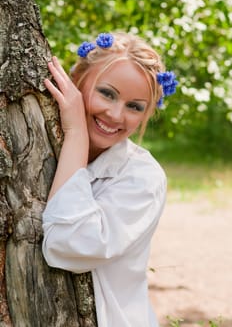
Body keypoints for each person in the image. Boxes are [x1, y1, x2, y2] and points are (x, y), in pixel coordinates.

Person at [42, 32, 178, 327]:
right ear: (78, 80)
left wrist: (77, 133)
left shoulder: (143, 178)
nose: (116, 114)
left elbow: (68, 245)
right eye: (107, 93)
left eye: (135, 106)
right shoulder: (37, 141)